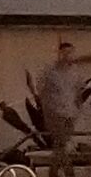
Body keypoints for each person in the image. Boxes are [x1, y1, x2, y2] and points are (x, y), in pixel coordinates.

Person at [36, 38, 85, 167]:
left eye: (70, 53)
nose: (68, 56)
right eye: (65, 53)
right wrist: (48, 109)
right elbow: (41, 90)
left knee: (62, 143)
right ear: (60, 54)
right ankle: (69, 171)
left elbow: (79, 91)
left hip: (70, 112)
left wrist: (77, 108)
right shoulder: (50, 72)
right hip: (55, 112)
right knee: (61, 141)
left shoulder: (76, 72)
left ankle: (54, 171)